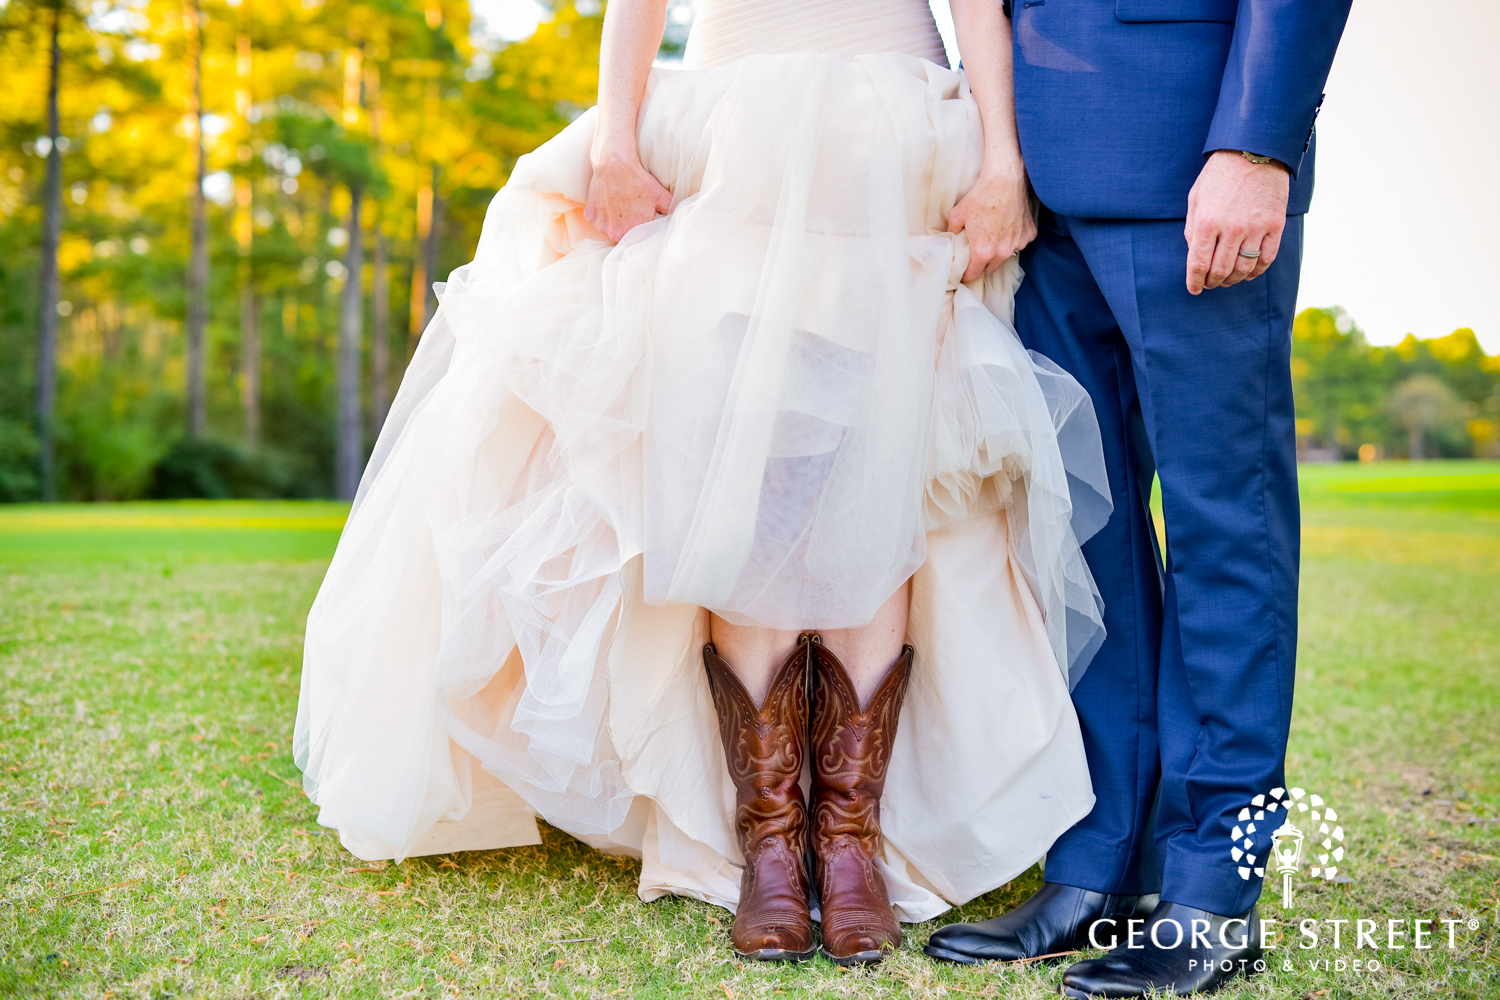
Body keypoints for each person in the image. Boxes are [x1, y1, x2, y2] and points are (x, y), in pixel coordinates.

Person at [295, 0, 1113, 969]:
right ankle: (772, 838)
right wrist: (614, 135)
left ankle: (846, 841)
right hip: (733, 125)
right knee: (745, 460)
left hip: (889, 129)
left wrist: (1000, 158)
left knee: (883, 452)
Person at [922, 1, 1352, 995]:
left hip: (1195, 163)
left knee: (1222, 532)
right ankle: (1101, 864)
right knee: (1083, 538)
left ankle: (1210, 888)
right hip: (1035, 180)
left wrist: (1257, 144)